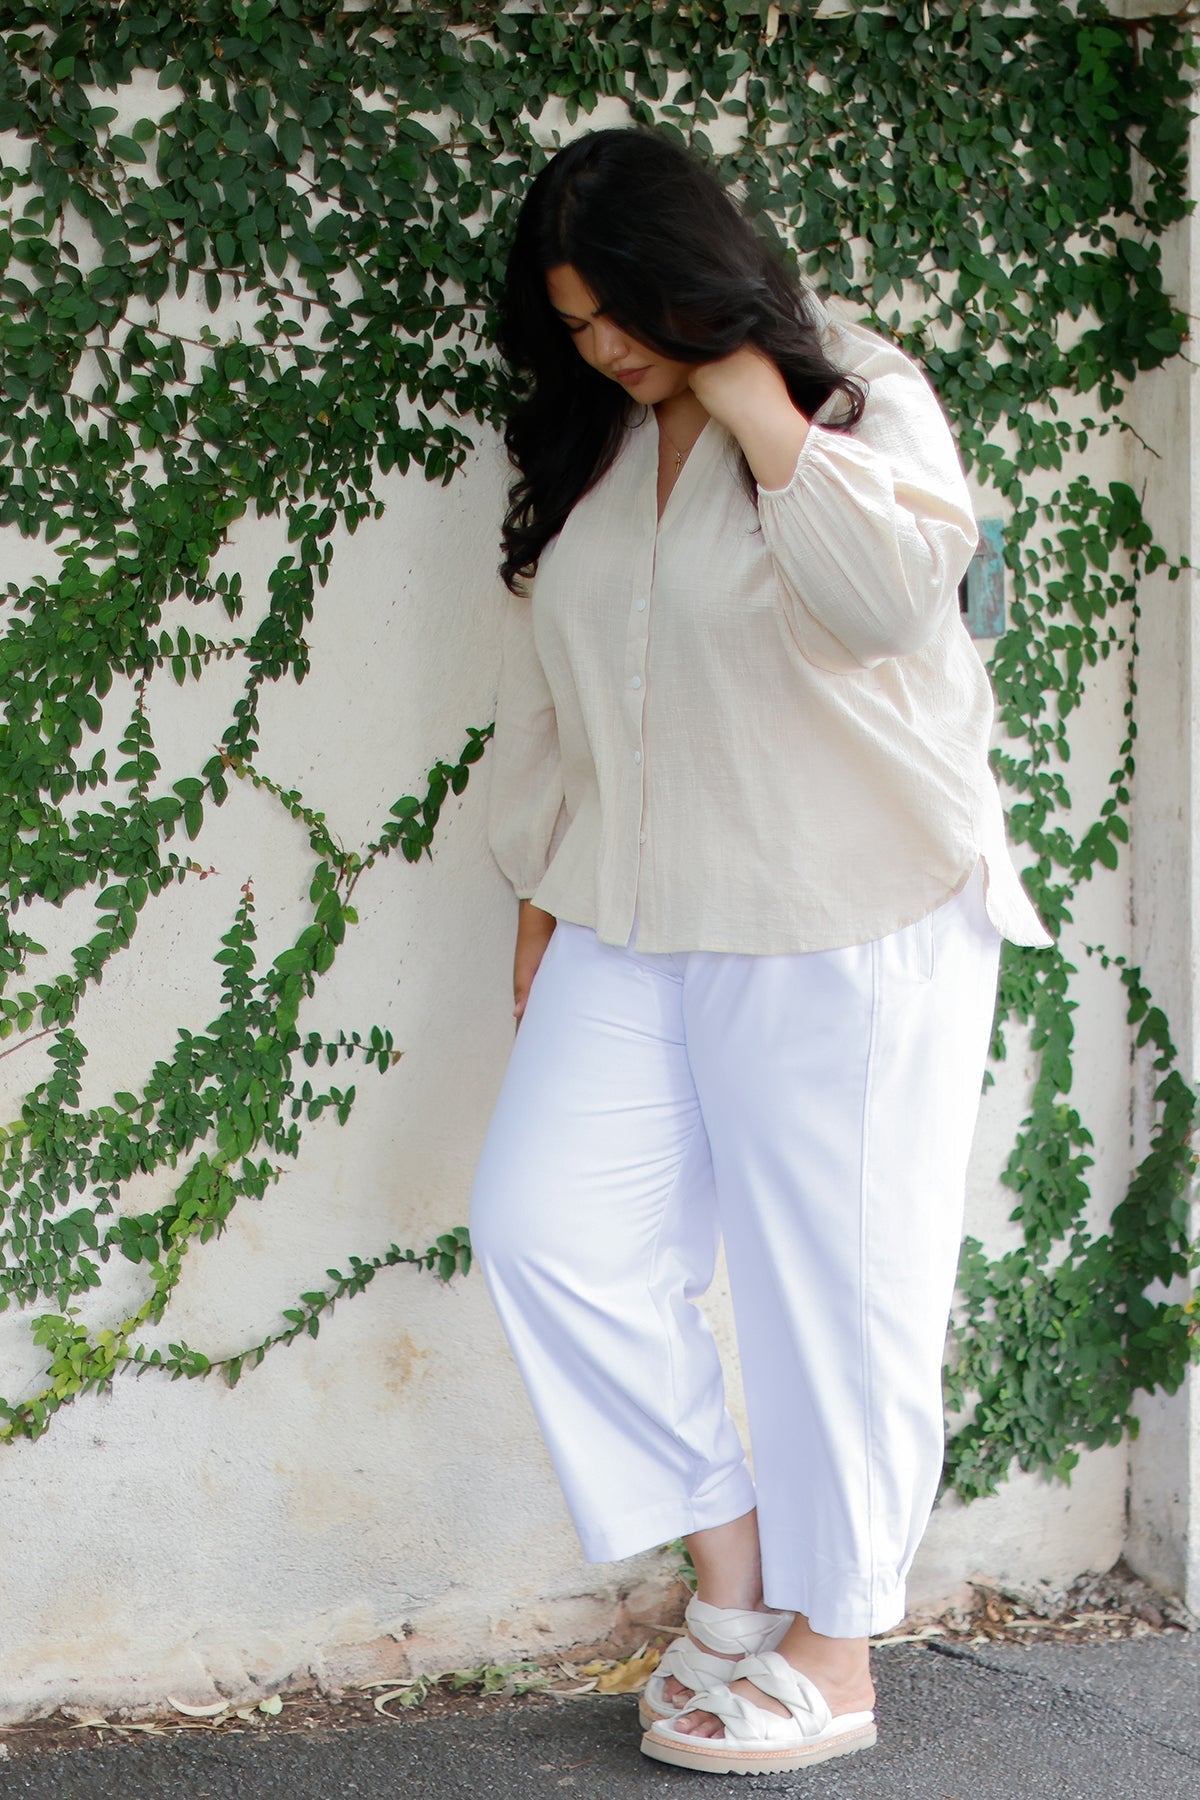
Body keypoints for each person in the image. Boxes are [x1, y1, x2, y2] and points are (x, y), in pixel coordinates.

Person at [468, 125, 1051, 1777]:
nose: (604, 348)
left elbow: (889, 601)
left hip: (846, 906)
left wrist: (752, 403)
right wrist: (542, 884)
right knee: (545, 1227)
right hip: (635, 908)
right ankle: (733, 1584)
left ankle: (838, 1654)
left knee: (839, 1296)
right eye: (575, 325)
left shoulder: (860, 394)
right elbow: (564, 680)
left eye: (622, 311)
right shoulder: (600, 438)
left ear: (693, 273)